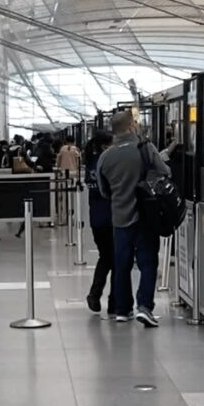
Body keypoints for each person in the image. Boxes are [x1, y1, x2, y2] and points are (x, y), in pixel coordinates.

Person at [97, 109, 169, 327]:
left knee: (122, 264)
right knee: (148, 262)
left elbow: (103, 191)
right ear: (130, 127)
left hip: (120, 217)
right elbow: (165, 172)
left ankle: (122, 309)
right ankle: (145, 306)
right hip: (146, 216)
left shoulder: (105, 156)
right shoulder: (145, 149)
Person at [83, 132, 114, 314]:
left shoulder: (91, 162)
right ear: (104, 146)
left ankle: (95, 295)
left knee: (106, 257)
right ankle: (111, 299)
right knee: (115, 259)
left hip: (96, 218)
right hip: (111, 216)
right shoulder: (106, 162)